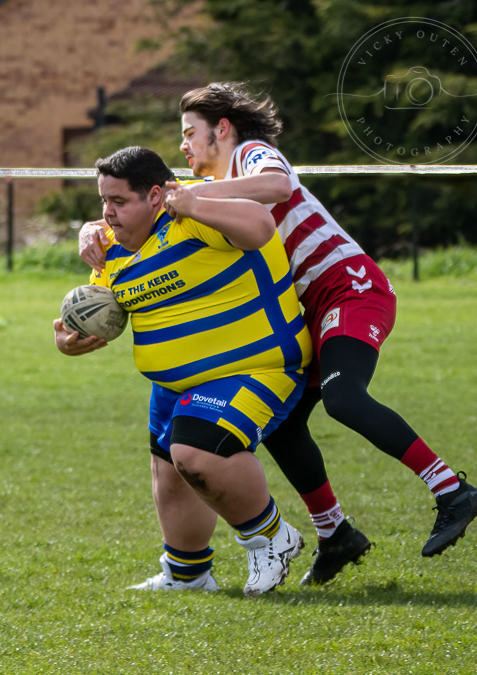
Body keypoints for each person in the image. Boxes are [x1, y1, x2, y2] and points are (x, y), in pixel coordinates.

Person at [79, 83, 477, 585]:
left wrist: (188, 196)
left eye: (189, 133)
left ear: (222, 129)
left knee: (344, 398)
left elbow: (275, 186)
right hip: (308, 307)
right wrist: (91, 228)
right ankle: (335, 533)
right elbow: (144, 205)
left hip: (347, 289)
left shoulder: (250, 154)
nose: (183, 145)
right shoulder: (210, 183)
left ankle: (451, 490)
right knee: (285, 422)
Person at [55, 145, 311, 596]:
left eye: (119, 201)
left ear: (155, 196)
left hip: (254, 367)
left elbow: (261, 225)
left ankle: (271, 537)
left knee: (195, 454)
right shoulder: (111, 251)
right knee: (170, 474)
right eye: (104, 201)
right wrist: (68, 341)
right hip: (174, 384)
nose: (107, 213)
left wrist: (196, 204)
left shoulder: (192, 215)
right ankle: (188, 574)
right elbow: (100, 312)